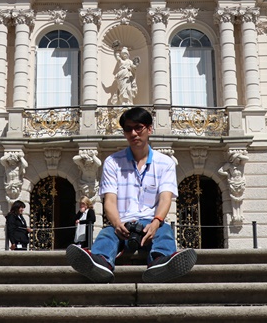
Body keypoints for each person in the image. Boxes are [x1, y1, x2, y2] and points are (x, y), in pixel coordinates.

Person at [66, 107, 197, 283]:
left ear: (149, 129)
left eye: (138, 127)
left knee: (165, 231)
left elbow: (165, 198)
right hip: (123, 225)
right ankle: (100, 262)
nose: (133, 133)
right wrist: (117, 224)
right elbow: (109, 201)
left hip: (151, 224)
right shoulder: (112, 162)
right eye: (128, 129)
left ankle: (161, 262)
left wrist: (156, 222)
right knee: (107, 234)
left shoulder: (165, 163)